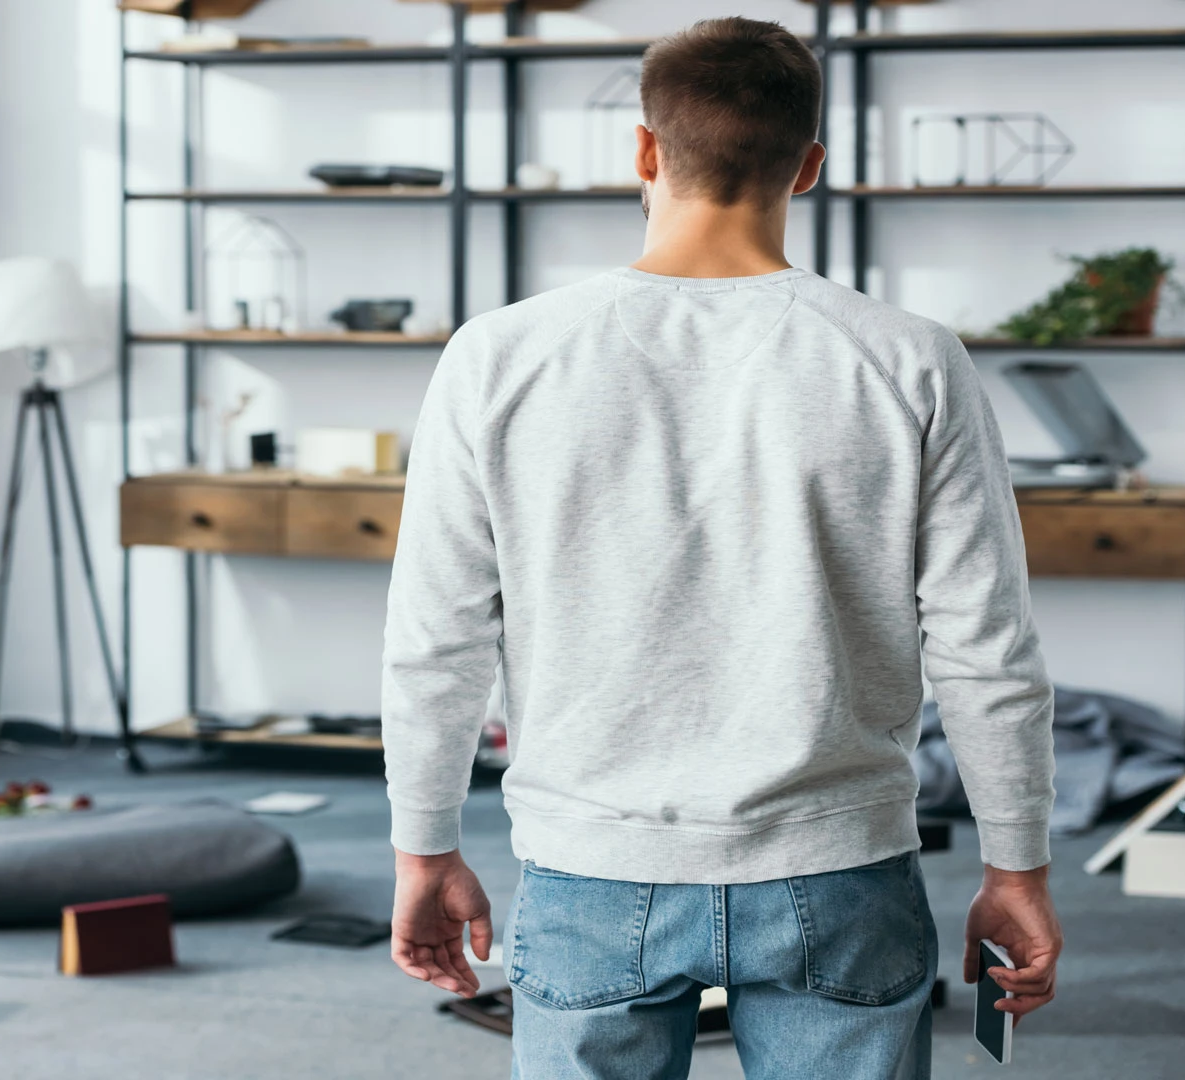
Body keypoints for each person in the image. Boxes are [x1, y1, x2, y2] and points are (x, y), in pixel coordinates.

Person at [381, 16, 1062, 1079]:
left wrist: (424, 848)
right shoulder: (910, 360)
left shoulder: (499, 356)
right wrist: (1017, 867)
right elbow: (989, 647)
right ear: (811, 166)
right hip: (839, 865)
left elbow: (438, 639)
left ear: (644, 152)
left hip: (592, 864)